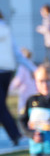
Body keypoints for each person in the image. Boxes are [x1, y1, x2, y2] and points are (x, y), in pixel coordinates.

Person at [0, 9, 24, 146]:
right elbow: (16, 51)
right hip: (7, 71)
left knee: (1, 107)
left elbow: (16, 51)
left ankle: (15, 134)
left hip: (4, 71)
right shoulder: (6, 28)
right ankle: (15, 134)